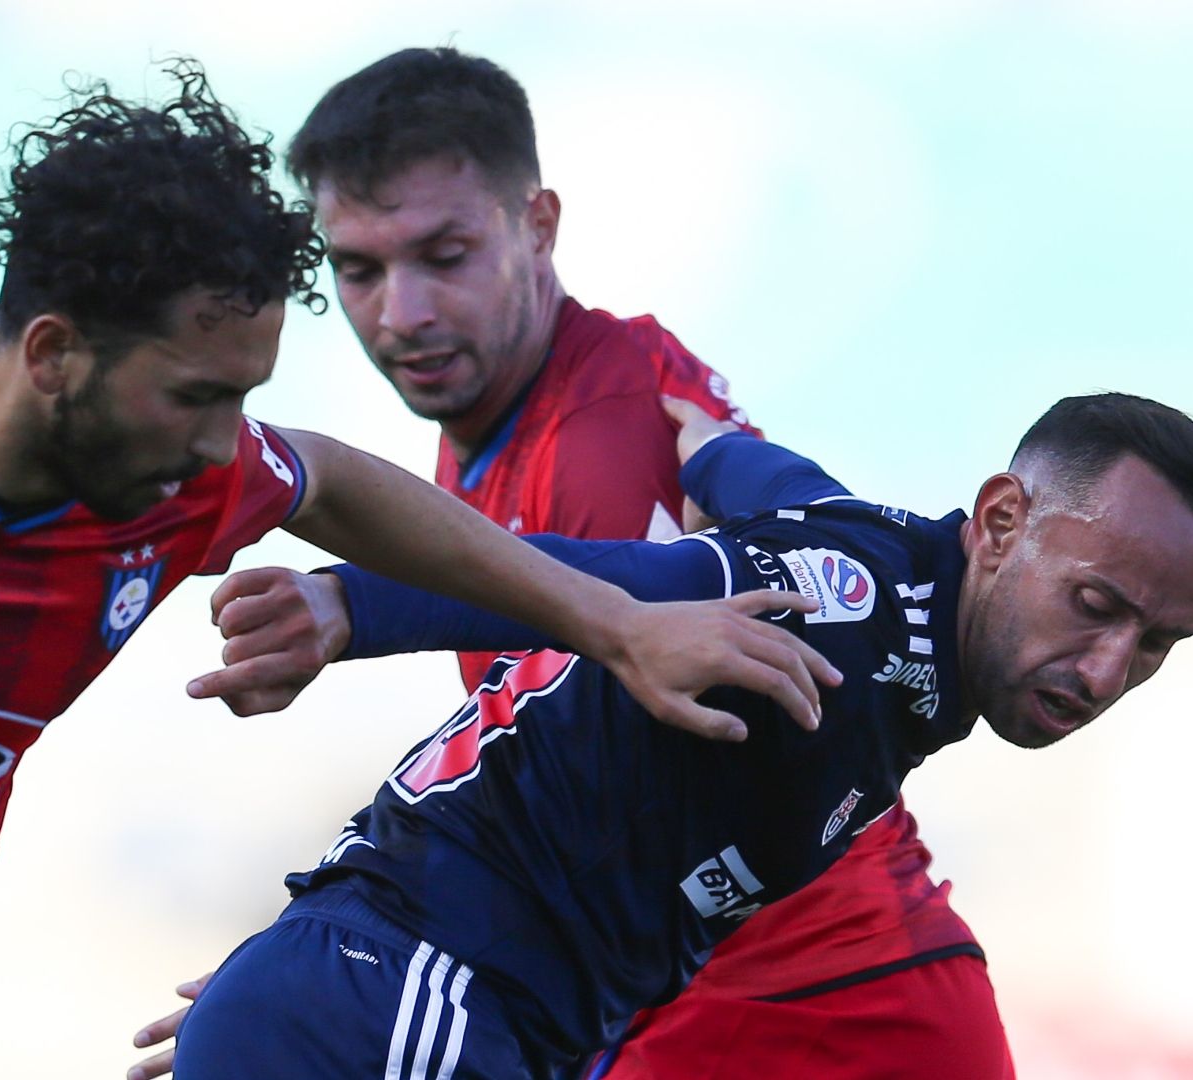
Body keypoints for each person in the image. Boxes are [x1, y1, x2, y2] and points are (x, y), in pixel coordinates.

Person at [0, 64, 822, 1080]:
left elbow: (330, 480)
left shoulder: (172, 467)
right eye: (196, 397)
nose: (221, 447)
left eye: (238, 398)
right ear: (54, 355)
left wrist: (616, 624)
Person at [134, 47, 1006, 1079]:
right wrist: (342, 963)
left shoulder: (603, 439)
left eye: (444, 255)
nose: (402, 312)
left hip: (815, 1008)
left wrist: (358, 982)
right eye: (360, 270)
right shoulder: (510, 419)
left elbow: (597, 826)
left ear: (538, 226)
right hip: (708, 993)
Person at [163, 390, 1193, 1077]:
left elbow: (786, 487)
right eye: (1095, 606)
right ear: (1002, 522)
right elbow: (626, 585)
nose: (1107, 670)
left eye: (1158, 643)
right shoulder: (849, 606)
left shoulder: (908, 602)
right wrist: (349, 607)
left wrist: (713, 449)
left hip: (414, 1001)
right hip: (411, 997)